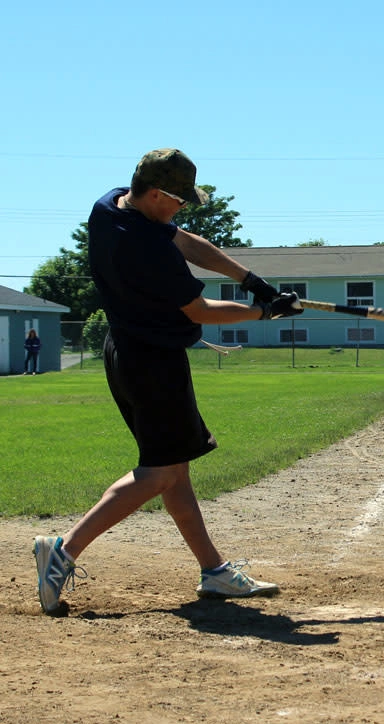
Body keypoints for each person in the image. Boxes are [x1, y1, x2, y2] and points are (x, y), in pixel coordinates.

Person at [33, 148, 303, 616]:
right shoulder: (147, 250)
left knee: (174, 469)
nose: (183, 208)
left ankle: (213, 571)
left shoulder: (110, 205)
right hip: (151, 362)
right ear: (157, 194)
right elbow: (199, 312)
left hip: (129, 351)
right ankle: (63, 552)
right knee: (159, 472)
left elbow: (186, 241)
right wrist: (265, 312)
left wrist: (249, 278)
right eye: (179, 200)